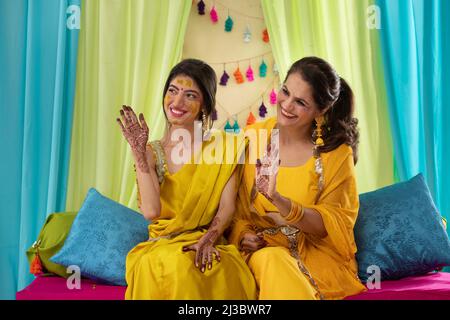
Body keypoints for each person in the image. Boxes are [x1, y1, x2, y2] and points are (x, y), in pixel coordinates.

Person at [228, 56, 367, 300]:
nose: (287, 105)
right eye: (285, 92)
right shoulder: (252, 138)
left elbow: (333, 224)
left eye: (300, 102)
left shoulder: (336, 154)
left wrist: (277, 199)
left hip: (315, 257)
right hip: (262, 250)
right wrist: (242, 235)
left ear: (321, 110)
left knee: (274, 259)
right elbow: (235, 210)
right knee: (270, 258)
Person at [117, 59, 256, 299]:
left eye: (190, 95)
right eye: (172, 91)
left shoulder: (224, 148)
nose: (177, 102)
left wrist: (209, 239)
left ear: (204, 105)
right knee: (175, 267)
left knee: (217, 269)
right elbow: (151, 211)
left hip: (208, 239)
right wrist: (139, 154)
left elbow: (227, 207)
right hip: (162, 245)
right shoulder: (150, 151)